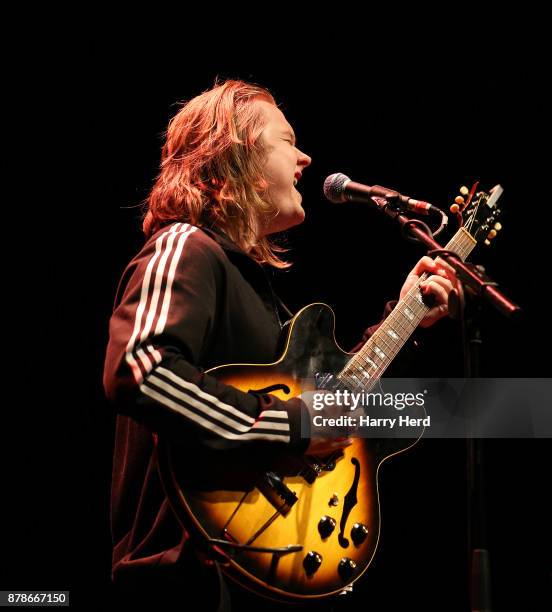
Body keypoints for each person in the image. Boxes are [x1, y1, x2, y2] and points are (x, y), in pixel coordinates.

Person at [103, 79, 455, 610]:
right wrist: (290, 425)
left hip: (259, 576)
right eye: (287, 140)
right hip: (184, 579)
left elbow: (336, 407)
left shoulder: (260, 294)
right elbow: (141, 369)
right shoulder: (184, 245)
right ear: (235, 153)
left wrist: (406, 314)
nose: (306, 157)